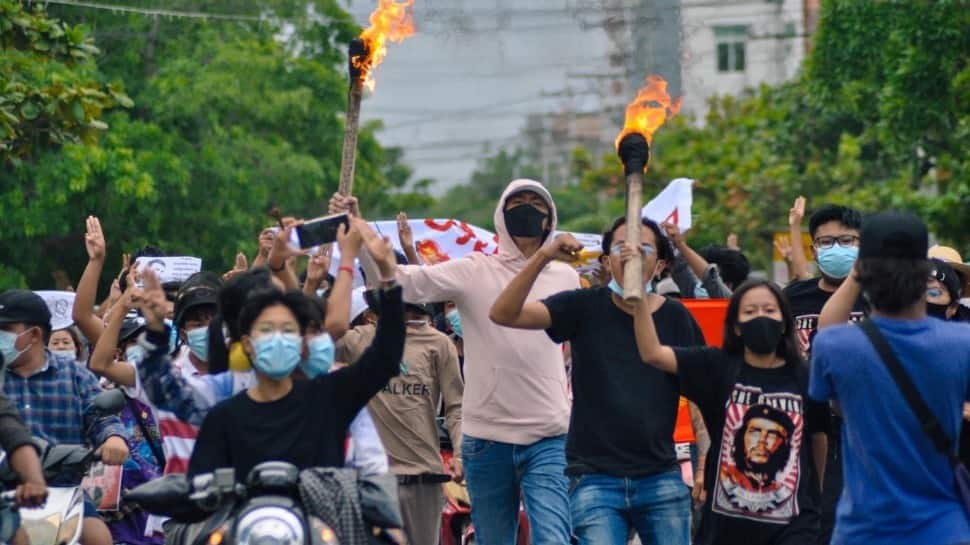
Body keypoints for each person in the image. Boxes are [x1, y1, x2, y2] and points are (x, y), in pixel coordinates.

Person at [332, 179, 579, 545]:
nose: (526, 208)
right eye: (517, 202)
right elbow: (401, 280)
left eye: (536, 203)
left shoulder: (567, 277)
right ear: (500, 216)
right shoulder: (473, 270)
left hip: (548, 435)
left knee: (554, 539)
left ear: (550, 220)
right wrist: (358, 226)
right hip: (487, 439)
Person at [490, 217, 704, 545]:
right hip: (595, 480)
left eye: (644, 249)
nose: (631, 255)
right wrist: (545, 255)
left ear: (660, 264)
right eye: (621, 248)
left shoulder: (678, 318)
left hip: (660, 476)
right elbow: (503, 313)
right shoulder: (582, 306)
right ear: (606, 260)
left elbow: (701, 398)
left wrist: (703, 463)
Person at [185, 218, 405, 478]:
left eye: (288, 330)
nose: (278, 340)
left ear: (302, 344)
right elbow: (199, 493)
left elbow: (385, 358)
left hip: (320, 519)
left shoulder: (329, 397)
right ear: (246, 343)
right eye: (267, 330)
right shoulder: (223, 417)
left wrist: (389, 279)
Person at [809, 212, 970, 545]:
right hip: (942, 530)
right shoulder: (961, 344)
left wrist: (857, 273)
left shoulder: (837, 346)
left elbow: (834, 396)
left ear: (864, 271)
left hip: (863, 531)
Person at [635, 279, 830, 545]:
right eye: (750, 312)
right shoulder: (715, 366)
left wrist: (814, 494)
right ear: (736, 326)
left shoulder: (805, 375)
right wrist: (637, 298)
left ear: (785, 322)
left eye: (769, 310)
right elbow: (652, 354)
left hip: (794, 526)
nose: (761, 317)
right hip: (726, 528)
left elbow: (818, 438)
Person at [0, 289, 130, 545]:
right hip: (4, 491)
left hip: (63, 490)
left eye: (5, 329)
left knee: (98, 538)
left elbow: (99, 415)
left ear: (34, 334)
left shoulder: (74, 375)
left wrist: (114, 438)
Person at [335, 296, 464, 545]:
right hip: (370, 479)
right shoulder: (359, 339)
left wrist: (459, 454)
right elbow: (313, 341)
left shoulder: (438, 343)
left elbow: (456, 407)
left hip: (422, 477)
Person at [780, 204, 863, 544]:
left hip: (862, 425)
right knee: (813, 515)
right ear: (814, 249)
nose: (837, 249)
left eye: (846, 240)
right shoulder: (792, 298)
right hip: (805, 424)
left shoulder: (879, 297)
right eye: (827, 242)